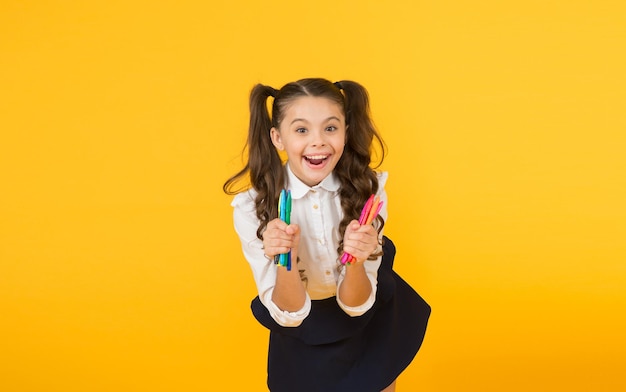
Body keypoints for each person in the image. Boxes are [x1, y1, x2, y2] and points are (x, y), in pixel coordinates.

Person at [223, 78, 430, 392]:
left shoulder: (368, 190)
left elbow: (357, 304)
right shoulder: (252, 206)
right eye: (302, 130)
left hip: (367, 315)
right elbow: (289, 314)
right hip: (302, 326)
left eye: (330, 128)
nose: (318, 142)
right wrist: (286, 261)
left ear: (345, 132)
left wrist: (358, 261)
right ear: (278, 138)